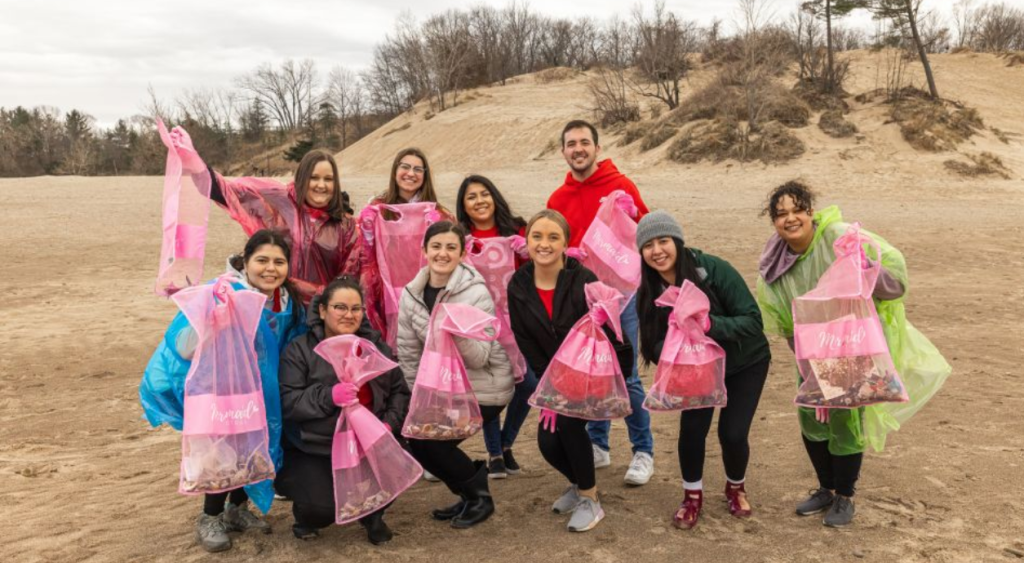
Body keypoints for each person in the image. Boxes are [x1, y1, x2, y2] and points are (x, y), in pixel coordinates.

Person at [755, 181, 951, 527]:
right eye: (780, 213)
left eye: (797, 209)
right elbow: (782, 314)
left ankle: (845, 496)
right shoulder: (775, 260)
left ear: (810, 211)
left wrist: (863, 265)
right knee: (812, 417)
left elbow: (896, 279)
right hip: (812, 349)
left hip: (851, 344)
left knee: (845, 418)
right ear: (773, 221)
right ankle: (825, 489)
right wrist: (807, 361)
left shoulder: (838, 236)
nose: (790, 219)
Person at [140, 229, 307, 553]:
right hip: (225, 390)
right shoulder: (221, 292)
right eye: (262, 260)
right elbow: (184, 345)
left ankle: (237, 509)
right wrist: (214, 319)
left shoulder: (287, 301)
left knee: (255, 447)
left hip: (264, 390)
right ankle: (210, 516)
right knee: (223, 451)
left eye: (279, 261)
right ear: (245, 261)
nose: (270, 268)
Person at [634, 211, 772, 529]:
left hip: (744, 362)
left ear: (678, 242)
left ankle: (735, 487)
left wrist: (709, 325)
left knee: (732, 433)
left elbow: (753, 321)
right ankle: (691, 497)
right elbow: (651, 343)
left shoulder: (711, 270)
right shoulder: (649, 290)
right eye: (648, 245)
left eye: (664, 241)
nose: (657, 251)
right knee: (693, 431)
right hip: (695, 369)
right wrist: (676, 352)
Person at [507, 210, 633, 532]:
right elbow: (523, 336)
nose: (544, 244)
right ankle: (578, 485)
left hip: (592, 373)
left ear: (566, 243)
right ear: (527, 241)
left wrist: (618, 367)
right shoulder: (518, 284)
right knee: (548, 444)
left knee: (568, 425)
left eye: (553, 237)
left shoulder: (584, 280)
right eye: (537, 236)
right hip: (553, 376)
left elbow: (612, 331)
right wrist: (551, 383)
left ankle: (591, 500)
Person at [546, 119, 654, 486]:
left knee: (627, 378)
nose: (578, 149)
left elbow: (646, 234)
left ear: (596, 147)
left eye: (584, 143)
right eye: (571, 144)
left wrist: (632, 212)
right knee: (590, 375)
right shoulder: (558, 198)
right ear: (563, 151)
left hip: (621, 299)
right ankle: (598, 444)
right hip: (581, 300)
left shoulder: (620, 185)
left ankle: (643, 451)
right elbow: (551, 242)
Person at [397, 221, 514, 528]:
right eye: (436, 246)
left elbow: (479, 358)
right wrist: (417, 403)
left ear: (462, 253)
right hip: (440, 388)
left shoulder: (475, 293)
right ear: (424, 251)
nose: (442, 253)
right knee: (416, 437)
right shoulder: (411, 295)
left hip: (484, 386)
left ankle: (480, 498)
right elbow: (409, 354)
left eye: (451, 247)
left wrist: (455, 331)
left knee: (435, 444)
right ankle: (466, 493)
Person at [276, 275, 410, 545]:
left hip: (367, 443)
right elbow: (288, 401)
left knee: (392, 473)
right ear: (323, 310)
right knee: (321, 509)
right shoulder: (300, 350)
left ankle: (372, 514)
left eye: (355, 308)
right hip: (317, 447)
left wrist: (387, 425)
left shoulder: (374, 347)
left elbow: (399, 391)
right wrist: (328, 396)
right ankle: (306, 515)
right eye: (340, 307)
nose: (348, 314)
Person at [167, 126, 360, 304]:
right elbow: (226, 191)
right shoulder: (279, 201)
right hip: (278, 305)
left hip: (320, 311)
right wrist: (194, 162)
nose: (321, 185)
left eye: (328, 179)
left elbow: (350, 275)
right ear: (301, 178)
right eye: (314, 178)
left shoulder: (345, 225)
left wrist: (327, 300)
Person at [455, 174, 535, 478]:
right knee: (490, 386)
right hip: (480, 323)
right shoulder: (460, 237)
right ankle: (495, 454)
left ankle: (506, 442)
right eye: (471, 197)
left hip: (518, 321)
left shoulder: (516, 228)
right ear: (464, 205)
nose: (479, 201)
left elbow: (539, 267)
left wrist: (527, 250)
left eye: (484, 194)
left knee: (528, 384)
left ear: (494, 196)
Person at [361, 148, 454, 341]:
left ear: (425, 175)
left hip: (427, 289)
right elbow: (365, 254)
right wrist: (366, 227)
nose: (411, 173)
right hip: (387, 291)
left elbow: (453, 253)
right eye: (405, 167)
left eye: (418, 169)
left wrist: (441, 227)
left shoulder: (437, 211)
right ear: (395, 171)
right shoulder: (379, 208)